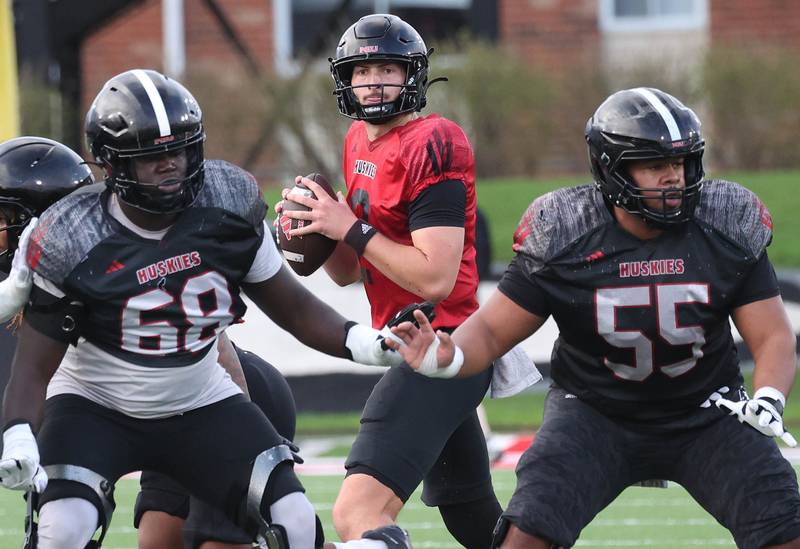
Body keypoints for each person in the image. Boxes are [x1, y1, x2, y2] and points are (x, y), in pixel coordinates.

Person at [0, 69, 405, 549]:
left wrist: (365, 341)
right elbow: (31, 368)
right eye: (152, 157)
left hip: (200, 398)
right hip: (97, 407)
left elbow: (292, 307)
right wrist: (19, 433)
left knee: (293, 521)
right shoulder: (73, 237)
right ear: (113, 165)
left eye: (179, 150)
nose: (171, 166)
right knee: (63, 530)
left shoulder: (226, 205)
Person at [387, 87, 800, 549]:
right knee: (526, 536)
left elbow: (773, 337)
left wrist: (767, 397)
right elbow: (491, 329)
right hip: (595, 415)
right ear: (613, 168)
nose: (673, 178)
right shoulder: (566, 231)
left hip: (706, 412)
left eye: (681, 162)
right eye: (654, 164)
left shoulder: (725, 222)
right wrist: (449, 354)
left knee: (784, 527)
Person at [278, 14, 537, 549]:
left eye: (388, 68)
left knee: (358, 513)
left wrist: (345, 224)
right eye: (363, 69)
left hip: (442, 347)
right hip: (405, 341)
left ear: (412, 75)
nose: (374, 81)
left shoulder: (435, 140)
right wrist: (317, 232)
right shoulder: (357, 139)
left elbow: (435, 277)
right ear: (344, 79)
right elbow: (353, 271)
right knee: (475, 519)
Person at [136, 343, 298, 549]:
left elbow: (218, 345)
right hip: (167, 412)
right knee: (158, 542)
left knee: (216, 540)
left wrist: (253, 432)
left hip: (233, 394)